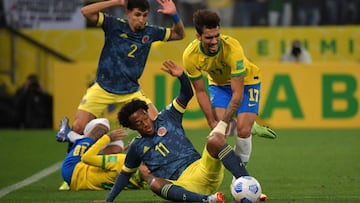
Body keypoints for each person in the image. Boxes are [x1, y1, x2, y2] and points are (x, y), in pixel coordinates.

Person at [93, 60, 258, 203]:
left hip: (202, 168)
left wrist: (182, 76)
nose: (144, 123)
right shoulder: (137, 147)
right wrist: (109, 200)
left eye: (144, 117)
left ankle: (248, 184)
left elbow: (187, 94)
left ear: (147, 113)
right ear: (132, 127)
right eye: (138, 123)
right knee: (155, 184)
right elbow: (124, 175)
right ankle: (208, 200)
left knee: (215, 138)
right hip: (183, 185)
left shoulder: (168, 117)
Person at [55, 0, 185, 146]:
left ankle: (151, 164)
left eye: (144, 15)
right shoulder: (114, 25)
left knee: (156, 125)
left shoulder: (151, 32)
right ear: (127, 13)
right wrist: (116, 1)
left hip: (131, 91)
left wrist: (174, 16)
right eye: (137, 14)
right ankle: (73, 161)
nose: (141, 19)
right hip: (102, 88)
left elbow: (179, 34)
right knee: (78, 128)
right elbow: (86, 12)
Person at [183, 9, 276, 176]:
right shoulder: (190, 56)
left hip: (248, 82)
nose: (214, 41)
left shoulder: (233, 48)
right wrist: (212, 122)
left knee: (242, 130)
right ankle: (247, 125)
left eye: (217, 35)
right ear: (198, 37)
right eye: (208, 38)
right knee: (220, 130)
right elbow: (201, 91)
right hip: (218, 85)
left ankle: (239, 178)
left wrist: (223, 123)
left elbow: (237, 94)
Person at [61, 117, 143, 190]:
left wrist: (108, 137)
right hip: (78, 182)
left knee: (103, 124)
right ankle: (76, 141)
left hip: (73, 168)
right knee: (118, 145)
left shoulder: (121, 161)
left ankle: (69, 135)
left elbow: (87, 158)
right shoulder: (138, 184)